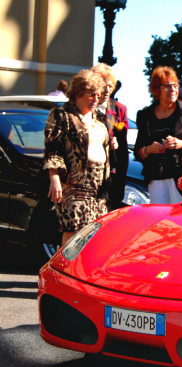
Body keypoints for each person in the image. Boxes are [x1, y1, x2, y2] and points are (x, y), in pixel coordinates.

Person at [43, 70, 110, 247]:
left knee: (94, 232)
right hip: (74, 183)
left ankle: (83, 273)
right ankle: (65, 270)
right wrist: (54, 178)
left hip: (98, 185)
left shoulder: (99, 119)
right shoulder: (62, 116)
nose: (96, 99)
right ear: (78, 93)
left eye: (98, 95)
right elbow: (52, 150)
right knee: (73, 230)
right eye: (91, 94)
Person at [134, 66, 182, 204]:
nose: (173, 89)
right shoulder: (145, 115)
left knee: (181, 221)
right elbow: (138, 152)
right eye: (167, 86)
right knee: (159, 219)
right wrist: (150, 149)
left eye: (175, 85)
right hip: (156, 178)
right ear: (157, 89)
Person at [91, 63, 129, 207]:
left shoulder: (119, 109)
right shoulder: (87, 107)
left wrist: (121, 182)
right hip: (90, 173)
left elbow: (123, 150)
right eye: (103, 85)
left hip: (112, 172)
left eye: (111, 86)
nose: (107, 90)